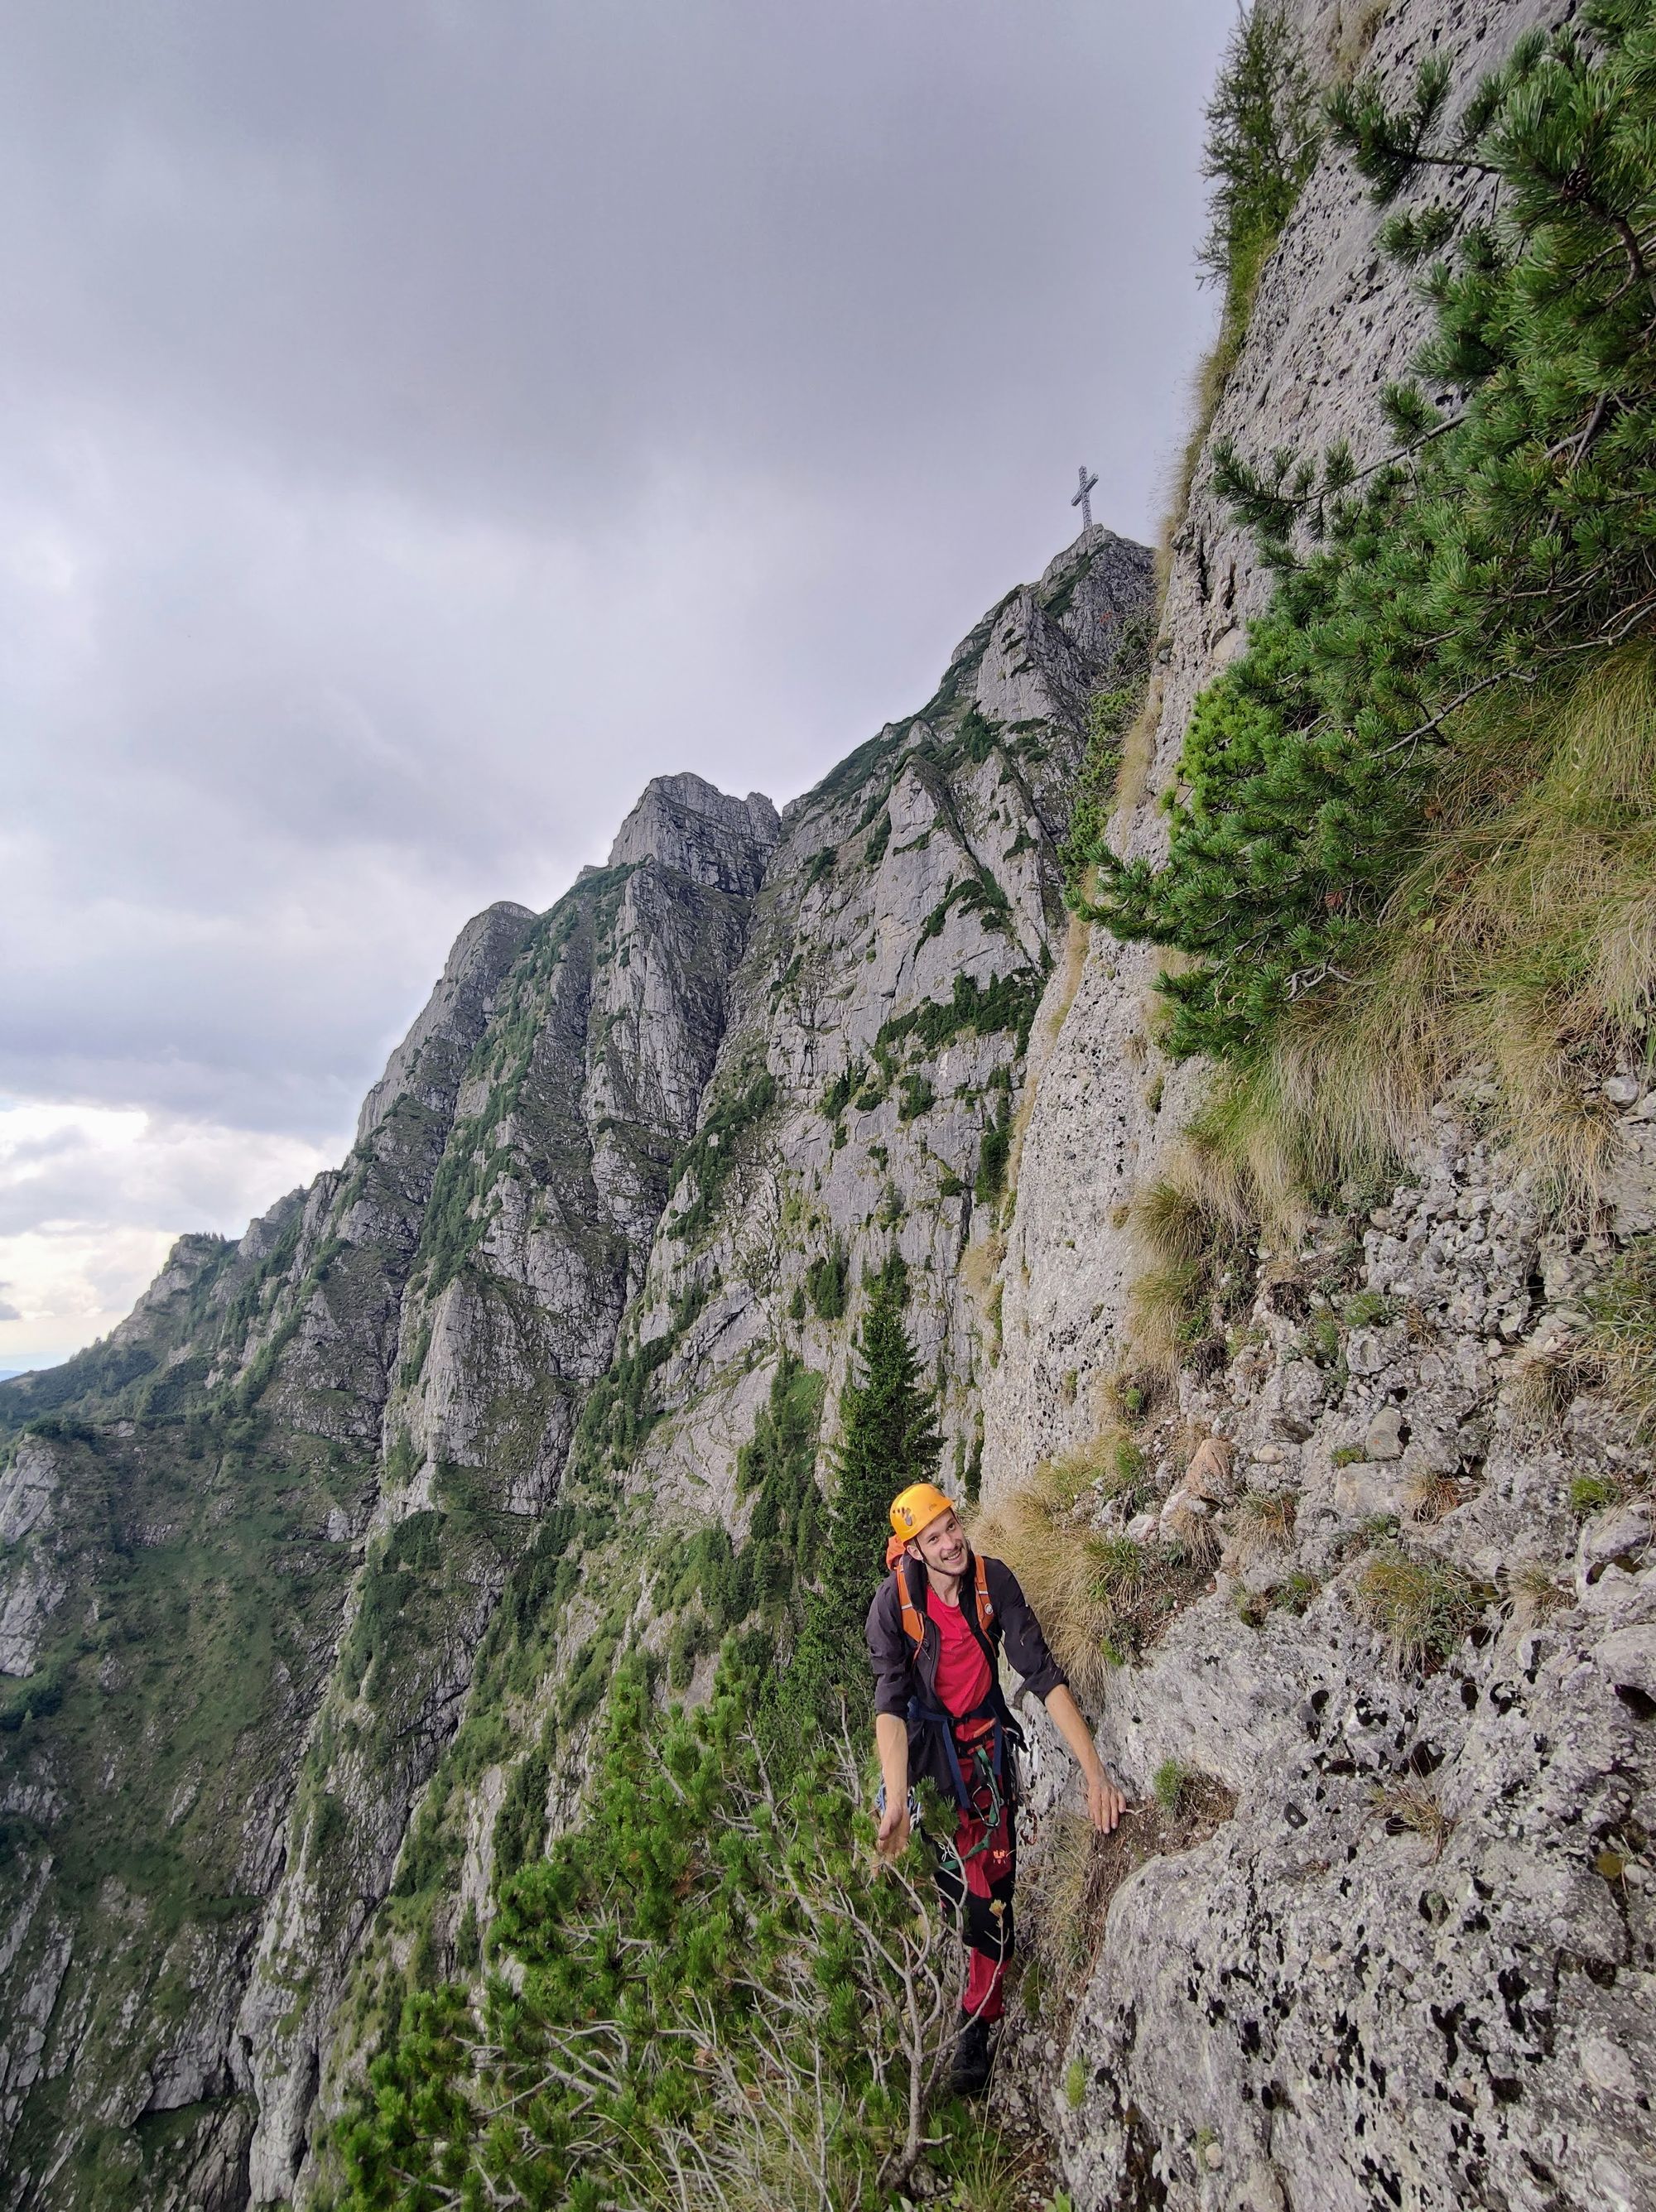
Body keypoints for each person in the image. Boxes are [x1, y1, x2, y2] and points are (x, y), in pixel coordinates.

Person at [866, 1480, 1126, 2096]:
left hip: (982, 1752)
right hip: (928, 1758)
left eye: (953, 1526)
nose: (953, 1542)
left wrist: (1095, 1773)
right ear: (913, 1551)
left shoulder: (994, 1582)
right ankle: (965, 1942)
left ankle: (979, 2017)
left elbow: (1042, 1675)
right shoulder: (892, 1606)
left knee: (992, 1898)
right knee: (952, 1887)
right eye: (935, 1537)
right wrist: (897, 1798)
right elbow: (890, 1704)